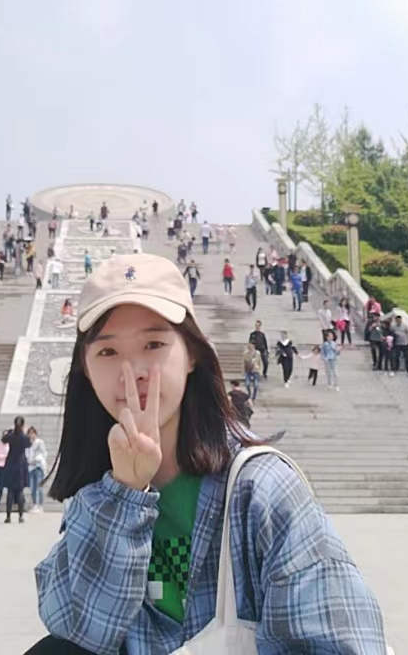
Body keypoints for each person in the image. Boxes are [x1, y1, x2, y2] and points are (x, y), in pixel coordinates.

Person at [31, 252, 387, 653]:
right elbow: (78, 630)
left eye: (154, 344)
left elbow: (339, 643)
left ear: (193, 354)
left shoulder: (261, 488)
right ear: (84, 367)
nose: (134, 371)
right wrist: (125, 492)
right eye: (108, 352)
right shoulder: (101, 490)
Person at [2, 416, 30, 524]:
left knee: (10, 491)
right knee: (20, 491)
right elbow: (29, 444)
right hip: (21, 464)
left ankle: (8, 516)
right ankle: (21, 516)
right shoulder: (24, 437)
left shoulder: (11, 435)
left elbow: (3, 440)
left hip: (10, 463)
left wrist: (10, 431)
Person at [27, 426, 48, 513]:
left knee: (39, 487)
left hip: (38, 467)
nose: (31, 435)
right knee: (32, 487)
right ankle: (35, 504)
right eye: (29, 433)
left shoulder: (39, 442)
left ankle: (40, 505)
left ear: (35, 434)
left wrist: (36, 459)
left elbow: (44, 453)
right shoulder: (27, 444)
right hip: (30, 467)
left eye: (32, 433)